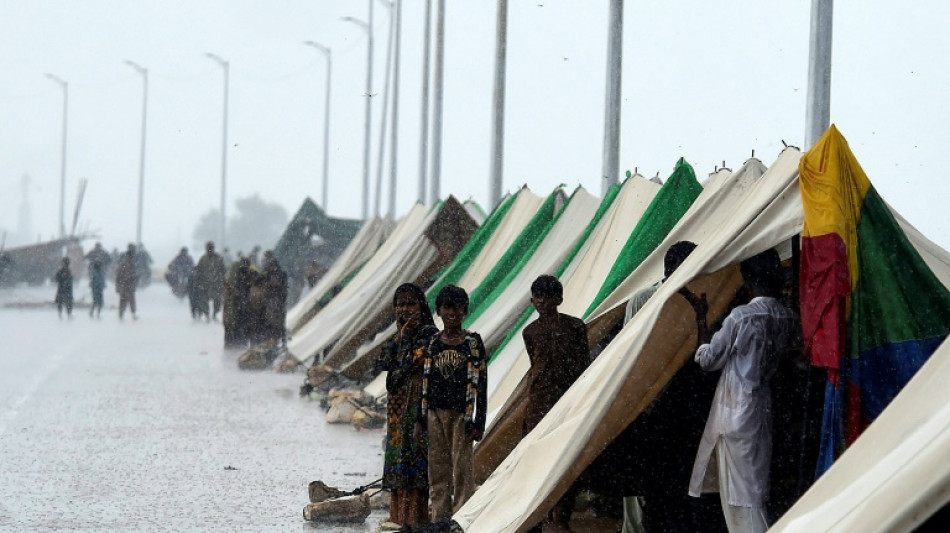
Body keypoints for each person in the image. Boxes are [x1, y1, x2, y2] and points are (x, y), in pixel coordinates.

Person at [686, 249, 800, 533]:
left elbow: (708, 360)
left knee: (741, 496)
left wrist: (701, 324)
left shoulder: (742, 317)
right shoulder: (787, 317)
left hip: (734, 409)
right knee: (755, 487)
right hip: (761, 405)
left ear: (747, 280)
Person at [620, 241, 697, 533]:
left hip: (666, 401)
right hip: (653, 400)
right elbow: (630, 353)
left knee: (656, 475)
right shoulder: (646, 299)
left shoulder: (684, 298)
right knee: (652, 476)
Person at [522, 275, 589, 532]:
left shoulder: (575, 327)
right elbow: (535, 366)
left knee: (565, 459)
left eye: (547, 296)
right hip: (540, 401)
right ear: (532, 300)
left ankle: (562, 517)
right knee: (542, 460)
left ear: (559, 299)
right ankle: (547, 515)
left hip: (568, 397)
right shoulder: (530, 332)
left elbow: (584, 364)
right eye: (538, 296)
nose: (542, 301)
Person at [415, 285, 487, 524]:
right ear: (439, 311)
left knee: (462, 469)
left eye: (457, 307)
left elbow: (482, 383)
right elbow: (423, 384)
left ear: (465, 310)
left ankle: (461, 520)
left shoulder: (472, 343)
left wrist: (480, 420)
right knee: (437, 470)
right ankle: (439, 519)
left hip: (461, 414)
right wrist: (419, 419)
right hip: (434, 412)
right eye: (446, 307)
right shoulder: (433, 344)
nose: (452, 313)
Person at [376, 283, 439, 529]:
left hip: (417, 408)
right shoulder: (399, 338)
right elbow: (382, 363)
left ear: (421, 307)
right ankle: (398, 518)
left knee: (416, 461)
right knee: (397, 462)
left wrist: (402, 348)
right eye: (400, 305)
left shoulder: (430, 335)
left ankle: (415, 520)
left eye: (410, 304)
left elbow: (407, 367)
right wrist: (400, 338)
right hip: (396, 411)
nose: (405, 309)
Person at [194, 241, 227, 322]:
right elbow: (198, 270)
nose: (209, 249)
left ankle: (214, 314)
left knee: (217, 301)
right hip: (205, 284)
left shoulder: (218, 258)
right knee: (204, 300)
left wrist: (220, 278)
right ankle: (207, 314)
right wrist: (198, 280)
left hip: (216, 284)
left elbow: (223, 269)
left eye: (211, 248)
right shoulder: (203, 259)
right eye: (208, 248)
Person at [261, 251, 288, 343]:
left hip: (276, 300)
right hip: (271, 300)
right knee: (271, 323)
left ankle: (280, 341)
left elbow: (284, 288)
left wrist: (277, 285)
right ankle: (272, 341)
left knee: (277, 323)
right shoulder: (266, 273)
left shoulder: (280, 273)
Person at [115, 244, 139, 320]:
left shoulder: (125, 263)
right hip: (127, 285)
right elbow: (120, 275)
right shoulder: (128, 264)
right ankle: (131, 315)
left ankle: (122, 315)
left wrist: (118, 285)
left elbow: (118, 275)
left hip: (125, 285)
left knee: (124, 300)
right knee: (129, 300)